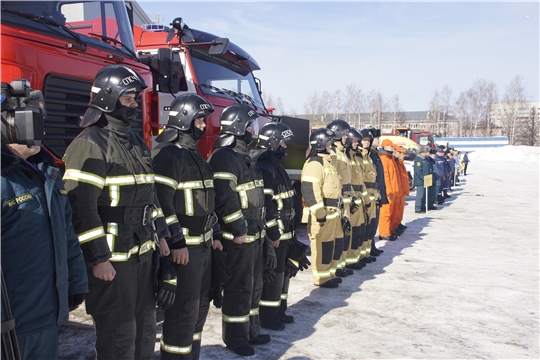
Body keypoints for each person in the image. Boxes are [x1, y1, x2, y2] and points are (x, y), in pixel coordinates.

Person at [63, 65, 171, 360]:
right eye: (128, 99)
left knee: (145, 330)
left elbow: (151, 196)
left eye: (135, 98)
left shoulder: (136, 143)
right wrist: (98, 259)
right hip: (113, 260)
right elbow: (81, 209)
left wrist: (162, 235)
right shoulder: (88, 144)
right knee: (119, 336)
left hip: (143, 254)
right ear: (108, 99)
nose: (135, 105)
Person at [1, 89, 88, 360]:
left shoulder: (46, 173)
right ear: (11, 123)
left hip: (46, 316)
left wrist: (75, 282)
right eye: (37, 122)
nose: (44, 132)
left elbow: (65, 235)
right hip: (11, 324)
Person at [151, 94, 222, 359]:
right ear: (183, 119)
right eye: (200, 120)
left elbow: (208, 202)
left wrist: (214, 234)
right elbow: (162, 203)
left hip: (203, 248)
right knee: (182, 312)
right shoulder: (167, 155)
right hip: (186, 251)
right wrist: (176, 242)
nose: (204, 126)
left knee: (198, 309)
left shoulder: (195, 156)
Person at [208, 104, 270, 357]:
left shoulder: (244, 157)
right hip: (239, 238)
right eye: (248, 126)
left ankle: (250, 330)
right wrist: (237, 228)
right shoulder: (224, 157)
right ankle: (234, 337)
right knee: (238, 287)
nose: (251, 131)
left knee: (253, 285)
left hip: (254, 233)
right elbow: (225, 198)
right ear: (236, 126)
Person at [251, 122, 306, 331]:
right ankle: (268, 317)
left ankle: (280, 311)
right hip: (277, 235)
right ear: (273, 142)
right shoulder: (264, 168)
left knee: (283, 276)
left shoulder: (277, 167)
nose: (285, 146)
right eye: (282, 141)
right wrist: (273, 233)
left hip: (286, 232)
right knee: (273, 278)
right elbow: (267, 205)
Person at [301, 128, 342, 288]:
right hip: (323, 215)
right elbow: (310, 190)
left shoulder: (327, 162)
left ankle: (329, 275)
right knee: (322, 247)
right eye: (328, 142)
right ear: (320, 143)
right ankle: (321, 278)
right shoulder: (315, 163)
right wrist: (320, 213)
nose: (331, 145)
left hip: (334, 214)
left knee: (332, 245)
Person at [326, 120, 355, 278]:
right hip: (339, 200)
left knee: (345, 233)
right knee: (338, 236)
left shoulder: (343, 153)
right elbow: (333, 179)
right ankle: (335, 267)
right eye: (344, 134)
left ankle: (341, 265)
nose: (346, 137)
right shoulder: (334, 153)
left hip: (347, 199)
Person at [348, 128, 377, 268]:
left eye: (367, 141)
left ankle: (364, 254)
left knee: (367, 228)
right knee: (356, 229)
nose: (365, 143)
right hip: (357, 196)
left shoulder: (368, 156)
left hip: (367, 195)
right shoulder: (356, 156)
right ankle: (354, 258)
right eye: (363, 140)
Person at [364, 129, 387, 253]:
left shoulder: (374, 154)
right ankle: (369, 247)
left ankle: (371, 246)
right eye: (377, 138)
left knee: (373, 222)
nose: (379, 140)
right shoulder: (369, 155)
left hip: (376, 192)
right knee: (369, 223)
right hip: (370, 193)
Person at [378, 139, 400, 240]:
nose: (392, 148)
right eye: (390, 146)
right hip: (388, 192)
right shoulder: (384, 158)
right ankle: (384, 233)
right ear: (385, 146)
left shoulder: (389, 158)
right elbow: (386, 177)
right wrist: (389, 191)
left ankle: (390, 230)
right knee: (385, 213)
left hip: (392, 191)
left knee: (391, 213)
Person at [413, 145, 431, 213]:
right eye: (425, 152)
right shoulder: (418, 159)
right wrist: (423, 178)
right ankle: (418, 208)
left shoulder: (424, 159)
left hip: (425, 180)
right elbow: (418, 171)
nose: (426, 154)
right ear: (422, 152)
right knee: (420, 195)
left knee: (424, 195)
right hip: (420, 180)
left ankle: (423, 206)